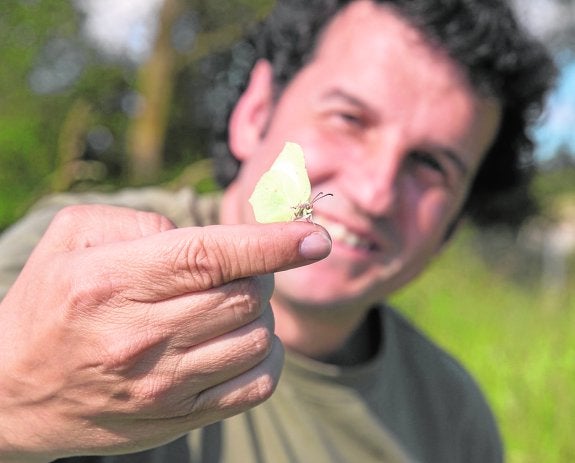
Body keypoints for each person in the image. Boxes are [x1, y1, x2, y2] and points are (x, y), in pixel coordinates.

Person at [0, 0, 555, 461]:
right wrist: (16, 403)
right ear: (255, 110)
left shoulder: (454, 417)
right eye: (348, 118)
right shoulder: (84, 260)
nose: (375, 191)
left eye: (432, 165)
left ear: (454, 222)